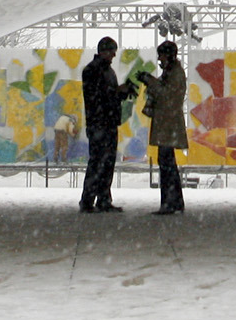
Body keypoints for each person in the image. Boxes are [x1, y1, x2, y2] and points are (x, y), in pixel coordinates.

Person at [131, 39, 189, 214]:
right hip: (166, 123)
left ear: (169, 56)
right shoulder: (172, 72)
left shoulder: (176, 73)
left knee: (166, 163)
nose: (160, 60)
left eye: (162, 56)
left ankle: (170, 203)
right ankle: (174, 202)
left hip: (168, 123)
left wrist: (150, 81)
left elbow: (167, 95)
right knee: (167, 162)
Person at [80, 36, 133, 212]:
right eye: (111, 52)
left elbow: (107, 96)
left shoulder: (108, 71)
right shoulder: (92, 70)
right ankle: (88, 201)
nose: (113, 56)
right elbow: (96, 96)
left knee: (107, 162)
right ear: (103, 51)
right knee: (97, 162)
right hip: (99, 123)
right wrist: (117, 91)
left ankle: (103, 199)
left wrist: (121, 93)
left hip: (107, 123)